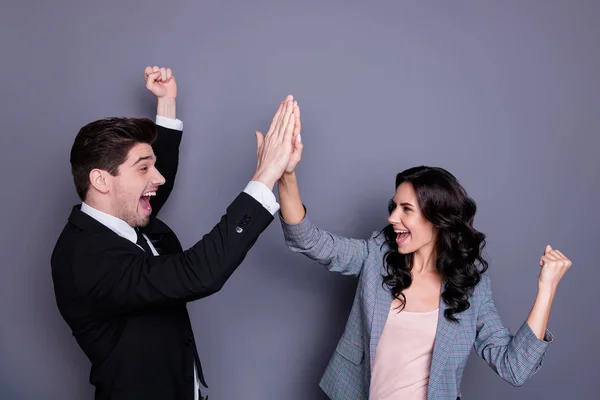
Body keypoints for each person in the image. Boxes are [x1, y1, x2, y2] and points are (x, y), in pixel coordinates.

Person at [277, 111, 572, 399]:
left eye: (406, 209)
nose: (393, 217)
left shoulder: (471, 289)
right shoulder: (376, 257)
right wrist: (287, 175)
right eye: (393, 207)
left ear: (437, 219)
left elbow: (515, 368)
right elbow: (309, 241)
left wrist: (547, 289)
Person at [51, 65, 299, 400]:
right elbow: (198, 272)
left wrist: (167, 105)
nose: (159, 178)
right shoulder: (86, 258)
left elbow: (148, 191)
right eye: (143, 168)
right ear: (100, 180)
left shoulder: (117, 218)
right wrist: (267, 173)